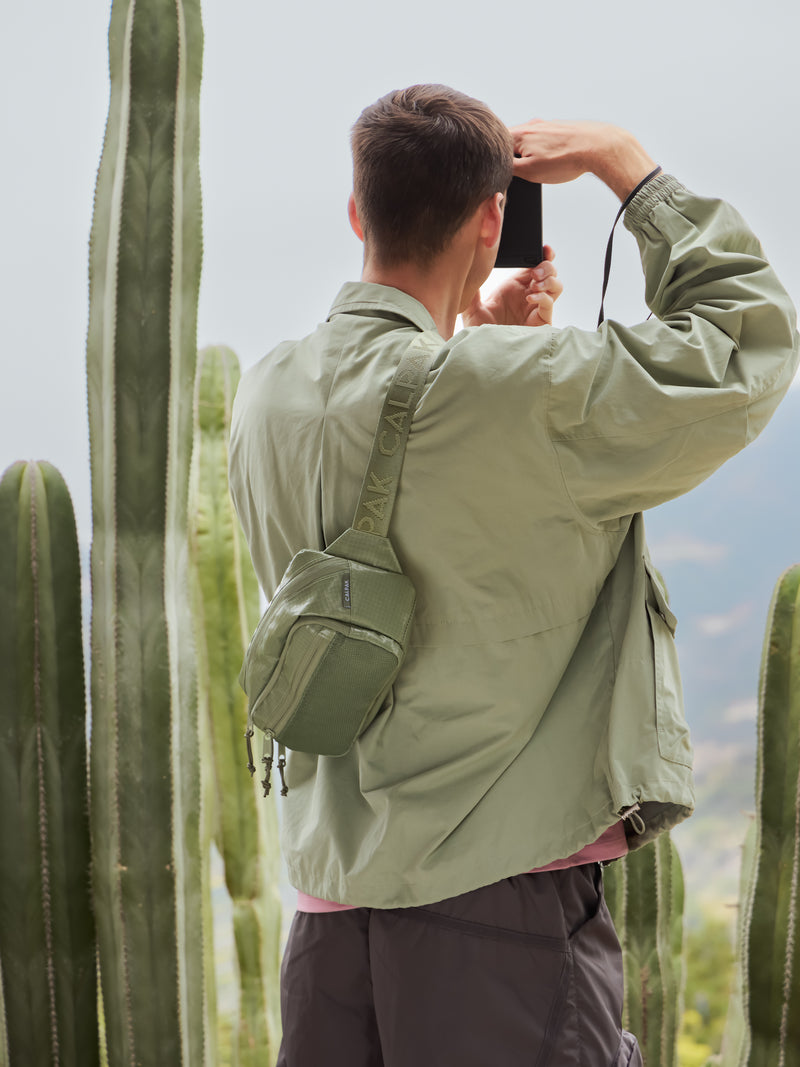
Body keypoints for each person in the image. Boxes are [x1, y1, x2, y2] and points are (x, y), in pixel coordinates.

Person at [228, 85, 799, 1066]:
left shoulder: (269, 387)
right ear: (492, 218)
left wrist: (482, 340)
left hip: (331, 919)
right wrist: (629, 168)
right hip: (496, 915)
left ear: (358, 213)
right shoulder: (510, 393)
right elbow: (743, 344)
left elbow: (412, 469)